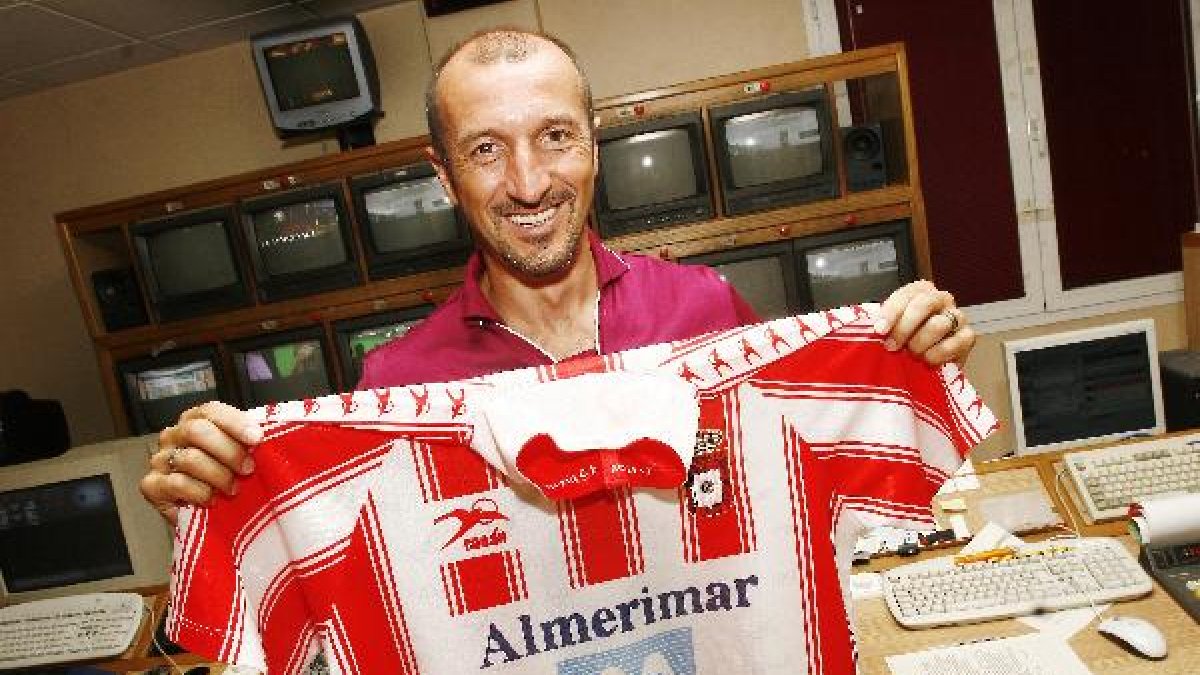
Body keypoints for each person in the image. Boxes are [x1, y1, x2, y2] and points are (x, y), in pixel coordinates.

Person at [140, 28, 977, 524]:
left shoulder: (705, 309)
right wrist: (220, 492)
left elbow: (811, 482)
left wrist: (901, 358)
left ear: (594, 140)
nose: (531, 183)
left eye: (554, 137)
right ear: (443, 177)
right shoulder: (396, 385)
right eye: (485, 149)